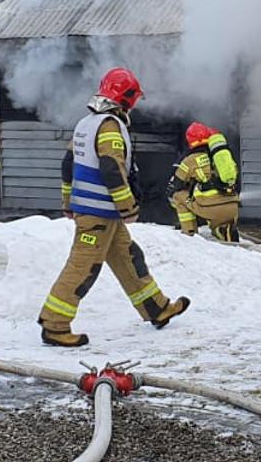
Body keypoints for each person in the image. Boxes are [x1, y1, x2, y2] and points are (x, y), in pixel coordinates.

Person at [36, 67, 191, 347]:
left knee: (129, 258)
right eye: (133, 98)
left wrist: (68, 201)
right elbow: (111, 168)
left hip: (98, 212)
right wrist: (128, 206)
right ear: (127, 97)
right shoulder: (110, 126)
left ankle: (157, 308)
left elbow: (68, 164)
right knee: (83, 267)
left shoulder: (85, 123)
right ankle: (54, 325)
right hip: (99, 213)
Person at [168, 121, 240, 242]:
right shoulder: (222, 157)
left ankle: (189, 233)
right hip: (233, 207)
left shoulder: (190, 160)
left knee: (178, 197)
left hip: (210, 208)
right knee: (209, 197)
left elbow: (176, 184)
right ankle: (221, 228)